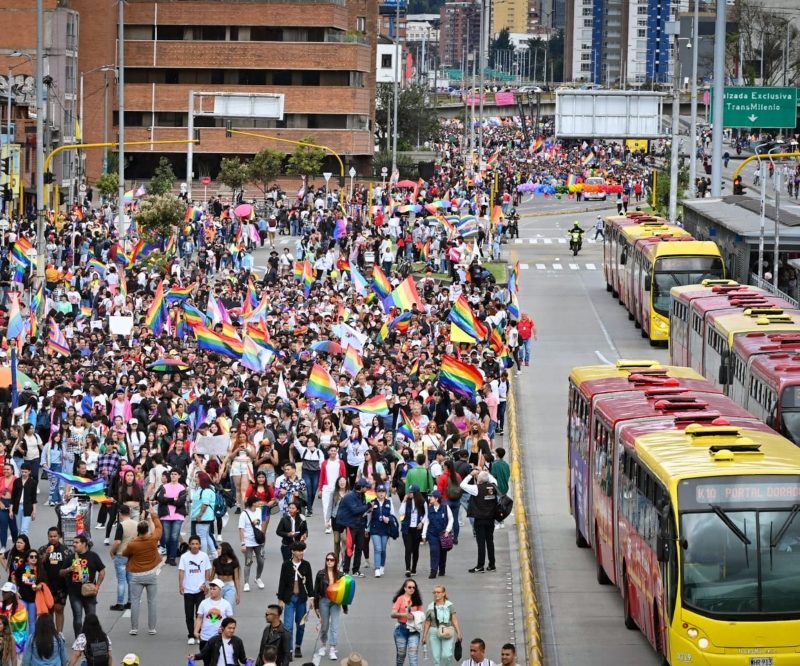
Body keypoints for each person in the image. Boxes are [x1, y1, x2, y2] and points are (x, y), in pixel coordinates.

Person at [122, 506, 162, 636]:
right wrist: (153, 514)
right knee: (152, 601)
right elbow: (159, 528)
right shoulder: (153, 539)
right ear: (147, 530)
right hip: (151, 574)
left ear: (137, 531)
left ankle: (134, 628)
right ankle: (152, 628)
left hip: (136, 575)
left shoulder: (133, 544)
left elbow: (125, 553)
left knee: (135, 601)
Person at [59, 536, 105, 639]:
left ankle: (92, 639)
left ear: (84, 544)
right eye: (73, 542)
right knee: (78, 618)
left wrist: (97, 586)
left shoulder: (93, 556)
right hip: (74, 593)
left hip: (89, 592)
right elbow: (61, 572)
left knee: (91, 618)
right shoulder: (71, 557)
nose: (74, 544)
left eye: (77, 542)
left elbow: (102, 572)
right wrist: (69, 569)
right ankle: (79, 640)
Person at [276, 541, 313, 660]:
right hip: (289, 598)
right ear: (293, 551)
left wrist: (311, 598)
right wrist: (280, 599)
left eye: (302, 550)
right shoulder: (286, 565)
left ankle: (298, 646)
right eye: (299, 550)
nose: (301, 553)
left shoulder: (306, 565)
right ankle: (289, 650)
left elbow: (309, 583)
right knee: (288, 626)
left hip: (301, 598)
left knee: (300, 625)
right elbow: (282, 582)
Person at [460, 471, 497, 573]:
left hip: (480, 519)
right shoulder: (493, 486)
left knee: (481, 543)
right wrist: (485, 472)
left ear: (479, 480)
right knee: (490, 541)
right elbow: (493, 479)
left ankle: (480, 565)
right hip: (491, 519)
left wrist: (471, 474)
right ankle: (492, 564)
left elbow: (462, 485)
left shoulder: (476, 488)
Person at [313, 551, 346, 661]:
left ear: (335, 561)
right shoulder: (320, 574)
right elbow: (316, 590)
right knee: (325, 625)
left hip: (336, 602)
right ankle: (323, 645)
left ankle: (332, 648)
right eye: (327, 559)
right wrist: (316, 606)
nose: (329, 562)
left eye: (331, 560)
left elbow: (345, 592)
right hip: (323, 601)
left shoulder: (340, 575)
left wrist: (345, 607)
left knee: (334, 626)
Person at [178, 535, 211, 646]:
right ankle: (191, 635)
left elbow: (207, 571)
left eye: (197, 544)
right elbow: (181, 571)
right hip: (188, 590)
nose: (195, 546)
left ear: (200, 545)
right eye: (192, 544)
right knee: (189, 614)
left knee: (200, 614)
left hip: (200, 590)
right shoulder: (184, 557)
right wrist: (181, 585)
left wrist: (206, 585)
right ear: (189, 545)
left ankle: (198, 634)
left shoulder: (204, 556)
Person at [335, 479, 371, 577]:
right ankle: (346, 570)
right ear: (361, 487)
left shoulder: (362, 495)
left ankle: (356, 570)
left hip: (360, 525)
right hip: (351, 526)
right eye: (366, 487)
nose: (367, 488)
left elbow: (360, 510)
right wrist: (367, 507)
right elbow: (355, 510)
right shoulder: (350, 496)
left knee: (359, 548)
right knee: (349, 548)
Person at [38, 528, 70, 634]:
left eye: (55, 536)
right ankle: (51, 633)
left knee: (59, 609)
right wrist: (46, 554)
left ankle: (59, 634)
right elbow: (37, 564)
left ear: (59, 536)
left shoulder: (66, 550)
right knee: (49, 610)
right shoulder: (42, 549)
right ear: (48, 536)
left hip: (61, 585)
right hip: (47, 585)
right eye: (50, 536)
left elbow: (71, 565)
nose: (52, 538)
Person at [421, 586, 462, 666]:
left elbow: (454, 620)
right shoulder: (431, 606)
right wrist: (424, 636)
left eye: (438, 592)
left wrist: (458, 633)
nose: (436, 594)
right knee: (436, 658)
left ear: (443, 593)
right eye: (434, 592)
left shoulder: (450, 605)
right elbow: (427, 622)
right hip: (434, 631)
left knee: (446, 655)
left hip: (447, 631)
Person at [155, 468, 187, 565]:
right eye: (172, 474)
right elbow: (160, 499)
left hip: (178, 515)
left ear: (179, 476)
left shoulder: (182, 488)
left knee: (174, 537)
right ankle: (169, 556)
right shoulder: (165, 486)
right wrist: (173, 498)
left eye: (175, 474)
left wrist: (167, 499)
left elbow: (180, 502)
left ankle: (172, 557)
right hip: (166, 515)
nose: (173, 476)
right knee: (168, 537)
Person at [108, 505, 136, 612]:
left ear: (119, 513)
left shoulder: (121, 525)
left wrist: (112, 551)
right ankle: (130, 602)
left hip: (121, 554)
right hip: (132, 555)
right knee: (131, 580)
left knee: (121, 580)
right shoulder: (136, 524)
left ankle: (120, 603)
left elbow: (118, 542)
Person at [420, 490, 453, 579]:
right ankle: (433, 571)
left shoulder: (445, 508)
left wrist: (447, 530)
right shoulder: (429, 509)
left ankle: (442, 569)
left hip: (443, 534)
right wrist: (423, 535)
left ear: (437, 498)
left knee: (443, 552)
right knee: (434, 551)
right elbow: (427, 521)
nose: (430, 498)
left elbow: (451, 519)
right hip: (432, 534)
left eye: (432, 497)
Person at [193, 579, 233, 650]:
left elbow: (230, 621)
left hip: (219, 637)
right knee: (206, 660)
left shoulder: (226, 604)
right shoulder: (203, 603)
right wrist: (196, 631)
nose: (211, 591)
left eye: (214, 589)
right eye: (210, 589)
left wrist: (224, 630)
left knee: (217, 660)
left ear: (220, 590)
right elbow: (199, 618)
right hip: (205, 637)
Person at [391, 579, 423, 666]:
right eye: (409, 587)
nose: (412, 589)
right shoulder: (400, 599)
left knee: (413, 657)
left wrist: (415, 616)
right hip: (401, 629)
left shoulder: (417, 600)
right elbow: (393, 614)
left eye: (413, 587)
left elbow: (421, 615)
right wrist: (404, 615)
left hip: (414, 630)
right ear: (405, 588)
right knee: (401, 655)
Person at [366, 484, 395, 578]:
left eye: (383, 492)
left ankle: (382, 565)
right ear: (376, 492)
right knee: (377, 548)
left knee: (383, 549)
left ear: (385, 493)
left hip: (385, 529)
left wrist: (389, 518)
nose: (381, 493)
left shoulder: (389, 502)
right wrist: (367, 528)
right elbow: (368, 516)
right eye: (379, 491)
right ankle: (377, 568)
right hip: (375, 529)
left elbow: (393, 516)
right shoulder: (372, 502)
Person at [238, 495, 265, 591]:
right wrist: (242, 543)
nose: (259, 503)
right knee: (248, 562)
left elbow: (260, 524)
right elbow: (241, 529)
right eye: (258, 501)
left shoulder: (259, 511)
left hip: (258, 541)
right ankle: (246, 583)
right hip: (248, 542)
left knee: (261, 561)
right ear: (253, 503)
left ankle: (258, 578)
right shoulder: (244, 514)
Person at [11, 549, 42, 634]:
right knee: (21, 621)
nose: (34, 558)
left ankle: (31, 642)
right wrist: (15, 591)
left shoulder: (39, 569)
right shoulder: (22, 568)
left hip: (33, 600)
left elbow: (44, 581)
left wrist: (39, 586)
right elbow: (13, 576)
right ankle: (21, 642)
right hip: (22, 598)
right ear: (27, 558)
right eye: (31, 557)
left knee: (32, 622)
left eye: (36, 557)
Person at [399, 485, 425, 576]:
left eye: (411, 492)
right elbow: (401, 512)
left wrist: (422, 522)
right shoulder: (407, 501)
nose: (409, 494)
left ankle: (414, 568)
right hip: (407, 528)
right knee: (408, 548)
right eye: (409, 492)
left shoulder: (422, 502)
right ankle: (407, 569)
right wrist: (403, 501)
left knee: (415, 549)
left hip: (417, 529)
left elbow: (427, 514)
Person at [190, 472, 217, 557]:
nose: (195, 479)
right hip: (204, 517)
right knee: (206, 536)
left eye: (197, 478)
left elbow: (205, 504)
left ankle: (203, 556)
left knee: (202, 537)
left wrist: (199, 515)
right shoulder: (203, 489)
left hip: (203, 518)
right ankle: (213, 553)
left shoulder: (206, 491)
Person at [209, 542, 241, 610]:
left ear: (225, 550)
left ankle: (228, 620)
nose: (217, 550)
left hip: (230, 586)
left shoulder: (234, 562)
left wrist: (238, 594)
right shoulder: (216, 561)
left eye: (219, 549)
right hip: (218, 586)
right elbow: (211, 577)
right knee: (218, 609)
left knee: (228, 607)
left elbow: (237, 579)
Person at [0, 582, 27, 654]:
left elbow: (19, 628)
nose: (3, 593)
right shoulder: (0, 605)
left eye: (5, 592)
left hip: (15, 641)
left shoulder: (20, 607)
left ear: (12, 594)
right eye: (3, 591)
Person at [10, 465, 36, 537]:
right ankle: (21, 546)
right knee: (19, 529)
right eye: (22, 472)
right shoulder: (17, 481)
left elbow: (34, 498)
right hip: (17, 507)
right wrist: (11, 510)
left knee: (24, 529)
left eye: (25, 472)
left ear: (29, 472)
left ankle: (24, 546)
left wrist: (34, 511)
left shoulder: (33, 482)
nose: (24, 473)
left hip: (28, 507)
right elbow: (13, 496)